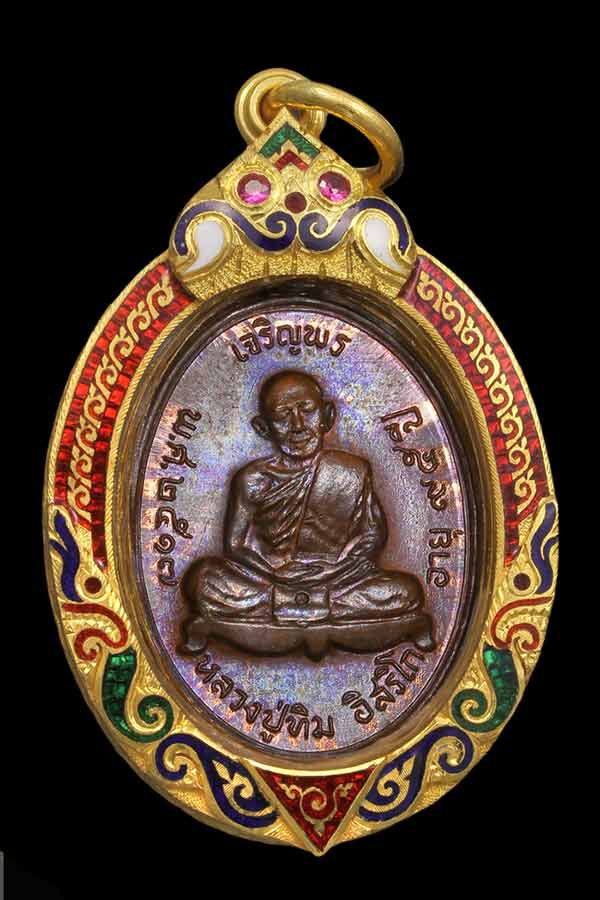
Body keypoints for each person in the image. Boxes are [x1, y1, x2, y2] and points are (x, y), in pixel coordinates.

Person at [179, 370, 430, 652]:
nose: (297, 426)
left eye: (307, 410)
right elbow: (236, 545)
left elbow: (373, 535)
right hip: (269, 579)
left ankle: (292, 604)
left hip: (339, 579)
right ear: (263, 428)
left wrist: (336, 569)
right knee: (203, 580)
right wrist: (276, 572)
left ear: (327, 416)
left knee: (406, 591)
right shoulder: (252, 479)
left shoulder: (351, 471)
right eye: (283, 415)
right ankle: (313, 605)